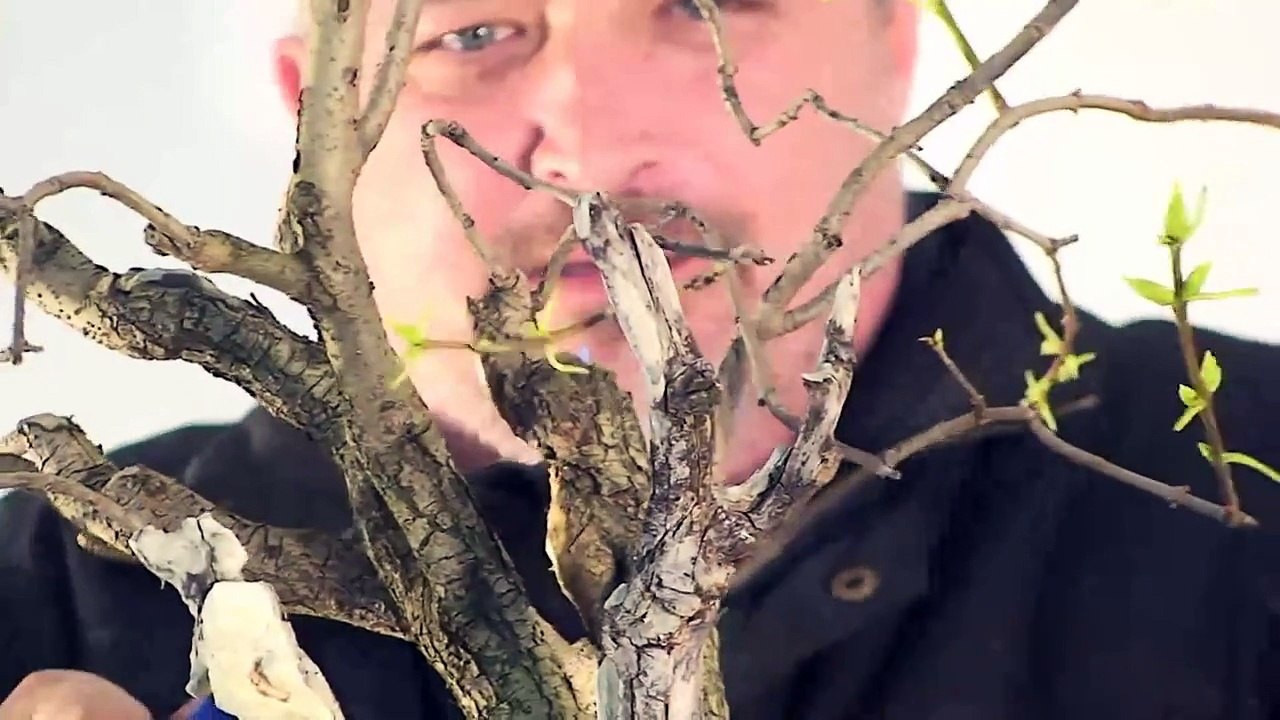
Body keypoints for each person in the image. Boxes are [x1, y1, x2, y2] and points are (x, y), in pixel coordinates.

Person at [1, 0, 1277, 717]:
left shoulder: (1247, 502)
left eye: (702, 6)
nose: (593, 157)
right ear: (315, 111)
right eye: (474, 31)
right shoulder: (48, 598)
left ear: (891, 38)